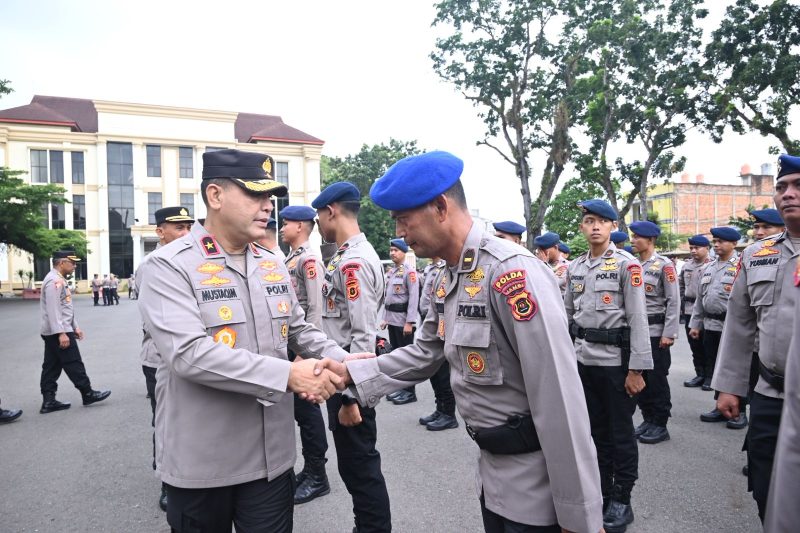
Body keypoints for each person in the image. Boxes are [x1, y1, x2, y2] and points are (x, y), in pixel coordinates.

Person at [326, 151, 603, 533]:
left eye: (404, 219)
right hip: (493, 476)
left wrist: (579, 514)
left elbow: (559, 397)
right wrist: (350, 373)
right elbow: (425, 353)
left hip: (539, 491)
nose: (401, 233)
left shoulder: (511, 273)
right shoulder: (447, 276)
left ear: (440, 206)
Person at [136, 149, 349, 532]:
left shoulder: (270, 262)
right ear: (215, 196)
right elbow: (188, 353)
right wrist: (289, 375)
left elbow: (299, 329)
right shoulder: (167, 266)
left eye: (270, 197)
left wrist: (345, 361)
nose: (268, 206)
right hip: (203, 464)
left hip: (271, 460)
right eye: (255, 195)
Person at [714, 155, 800, 522]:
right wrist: (730, 386)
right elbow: (739, 324)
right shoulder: (756, 254)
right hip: (770, 395)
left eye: (798, 186)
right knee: (766, 485)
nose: (788, 194)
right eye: (781, 187)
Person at [564, 199, 652, 532]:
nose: (596, 226)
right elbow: (567, 317)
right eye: (589, 220)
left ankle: (622, 498)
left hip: (616, 365)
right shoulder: (575, 268)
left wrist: (637, 369)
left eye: (603, 221)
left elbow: (638, 318)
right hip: (583, 363)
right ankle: (600, 490)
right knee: (593, 433)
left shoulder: (626, 266)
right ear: (582, 227)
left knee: (620, 434)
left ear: (614, 227)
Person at [312, 181, 392, 533]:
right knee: (355, 467)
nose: (317, 222)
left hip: (350, 383)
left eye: (318, 215)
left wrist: (349, 397)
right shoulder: (347, 256)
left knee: (361, 469)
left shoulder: (352, 263)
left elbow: (362, 336)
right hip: (345, 376)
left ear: (331, 211)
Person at [137, 205, 194, 511]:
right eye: (179, 228)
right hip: (159, 357)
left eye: (188, 227)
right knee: (166, 420)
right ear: (160, 232)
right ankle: (168, 483)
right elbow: (157, 323)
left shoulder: (191, 261)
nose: (187, 233)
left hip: (188, 354)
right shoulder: (153, 265)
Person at [278, 205, 331, 505]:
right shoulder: (292, 258)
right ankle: (309, 469)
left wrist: (304, 353)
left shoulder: (309, 259)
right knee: (299, 412)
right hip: (290, 346)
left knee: (308, 412)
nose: (282, 228)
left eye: (286, 223)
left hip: (302, 349)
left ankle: (317, 475)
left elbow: (315, 309)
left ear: (300, 226)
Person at [40, 251, 111, 414]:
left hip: (57, 329)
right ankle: (87, 393)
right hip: (58, 331)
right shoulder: (54, 281)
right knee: (73, 362)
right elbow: (53, 309)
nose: (75, 266)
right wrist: (62, 333)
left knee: (51, 366)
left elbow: (65, 308)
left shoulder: (58, 279)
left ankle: (49, 400)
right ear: (62, 263)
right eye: (72, 262)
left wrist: (75, 326)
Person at [629, 221, 679, 445]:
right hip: (637, 332)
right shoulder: (632, 264)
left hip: (656, 332)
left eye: (636, 237)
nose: (632, 241)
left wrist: (669, 333)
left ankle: (660, 423)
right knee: (641, 379)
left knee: (657, 379)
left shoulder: (664, 265)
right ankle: (648, 419)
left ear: (649, 240)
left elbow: (673, 301)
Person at [688, 227, 742, 423]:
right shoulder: (709, 267)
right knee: (716, 367)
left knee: (735, 368)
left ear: (734, 244)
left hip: (732, 326)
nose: (716, 245)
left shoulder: (741, 265)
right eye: (715, 241)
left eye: (721, 241)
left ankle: (740, 410)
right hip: (710, 325)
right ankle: (720, 406)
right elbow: (700, 300)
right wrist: (696, 324)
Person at [416, 255, 458, 431]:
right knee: (435, 372)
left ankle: (449, 414)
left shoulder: (449, 269)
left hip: (445, 323)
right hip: (432, 319)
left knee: (443, 374)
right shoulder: (436, 270)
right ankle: (440, 409)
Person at [380, 238, 420, 405]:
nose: (392, 253)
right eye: (391, 250)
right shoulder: (391, 273)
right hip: (393, 321)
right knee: (396, 356)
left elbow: (413, 298)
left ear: (404, 252)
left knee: (406, 359)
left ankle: (410, 391)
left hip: (404, 322)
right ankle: (402, 388)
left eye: (396, 250)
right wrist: (384, 318)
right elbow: (388, 298)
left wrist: (410, 322)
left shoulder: (409, 272)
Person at [680, 235, 712, 387]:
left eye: (697, 248)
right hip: (689, 310)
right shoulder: (686, 266)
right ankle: (699, 374)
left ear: (707, 248)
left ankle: (710, 377)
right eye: (691, 248)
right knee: (695, 345)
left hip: (705, 312)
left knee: (708, 346)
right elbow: (681, 287)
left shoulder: (712, 264)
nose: (693, 251)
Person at [534, 231, 569, 297]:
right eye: (539, 250)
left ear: (555, 247)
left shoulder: (565, 266)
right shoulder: (537, 264)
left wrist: (544, 265)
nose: (541, 253)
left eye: (544, 250)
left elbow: (552, 284)